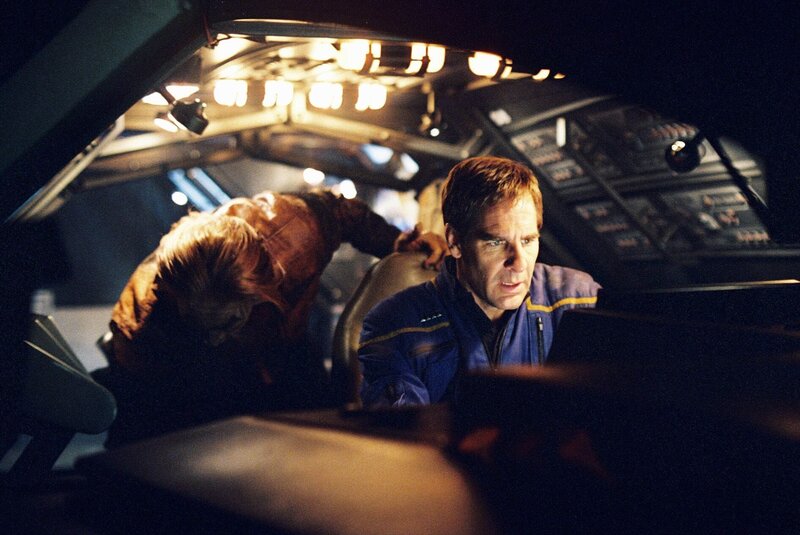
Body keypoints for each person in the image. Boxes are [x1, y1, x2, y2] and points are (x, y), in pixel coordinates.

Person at [103, 188, 447, 445]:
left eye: (227, 323)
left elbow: (344, 213)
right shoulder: (145, 327)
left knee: (326, 427)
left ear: (258, 290)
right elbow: (143, 425)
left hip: (284, 342)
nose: (218, 336)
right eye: (206, 325)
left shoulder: (296, 231)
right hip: (194, 369)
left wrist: (396, 243)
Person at [358, 156, 601, 406]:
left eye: (528, 240)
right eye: (496, 242)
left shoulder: (577, 300)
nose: (519, 263)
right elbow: (407, 428)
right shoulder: (395, 326)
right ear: (454, 241)